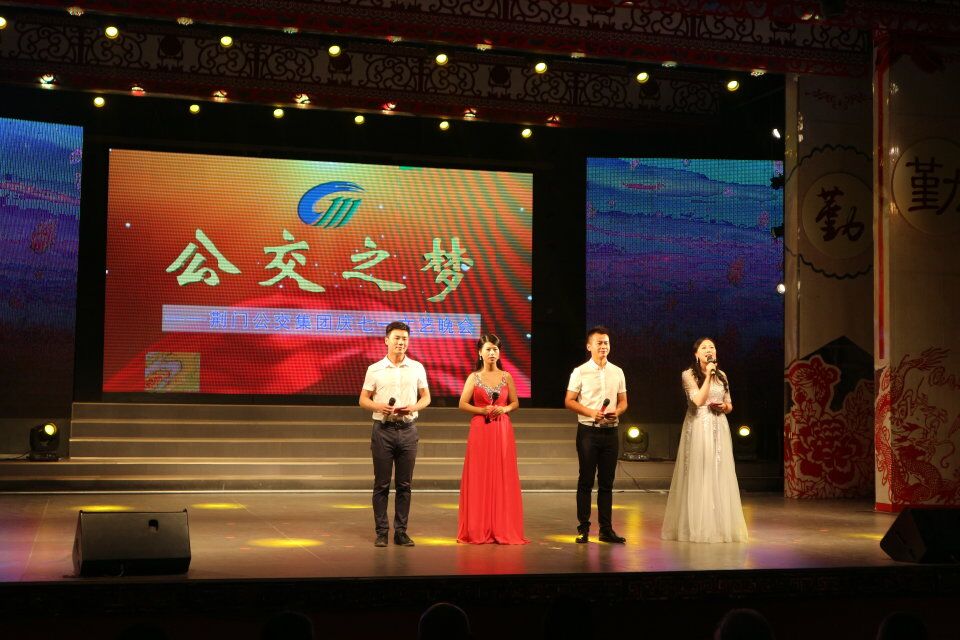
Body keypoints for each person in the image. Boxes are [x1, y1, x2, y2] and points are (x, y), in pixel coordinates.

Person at [661, 337, 748, 543]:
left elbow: (729, 404)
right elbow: (698, 401)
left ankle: (719, 526)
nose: (709, 350)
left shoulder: (722, 375)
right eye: (704, 347)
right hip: (700, 426)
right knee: (701, 472)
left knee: (719, 472)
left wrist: (723, 407)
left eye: (712, 347)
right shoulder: (688, 374)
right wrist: (708, 376)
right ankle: (697, 527)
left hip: (719, 426)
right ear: (696, 354)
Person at [359, 321, 431, 547]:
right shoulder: (375, 369)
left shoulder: (417, 367)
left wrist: (413, 407)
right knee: (381, 484)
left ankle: (401, 532)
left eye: (405, 339)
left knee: (404, 485)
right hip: (383, 430)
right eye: (397, 338)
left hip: (408, 430)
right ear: (386, 340)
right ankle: (382, 532)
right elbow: (363, 399)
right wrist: (378, 406)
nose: (401, 342)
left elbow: (426, 397)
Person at [457, 334, 529, 544]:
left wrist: (504, 409)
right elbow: (462, 404)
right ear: (480, 352)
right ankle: (478, 528)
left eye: (495, 349)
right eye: (488, 349)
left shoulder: (507, 376)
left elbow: (515, 403)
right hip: (481, 428)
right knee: (479, 475)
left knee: (501, 474)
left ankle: (501, 526)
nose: (492, 353)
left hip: (502, 428)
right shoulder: (474, 377)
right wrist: (482, 410)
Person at [564, 326, 628, 544]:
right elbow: (569, 400)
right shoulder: (580, 371)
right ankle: (583, 528)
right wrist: (592, 412)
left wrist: (616, 412)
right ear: (589, 346)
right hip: (588, 432)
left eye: (606, 343)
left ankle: (606, 530)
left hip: (611, 432)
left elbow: (623, 401)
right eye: (599, 343)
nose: (603, 346)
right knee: (586, 480)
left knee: (607, 483)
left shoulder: (617, 371)